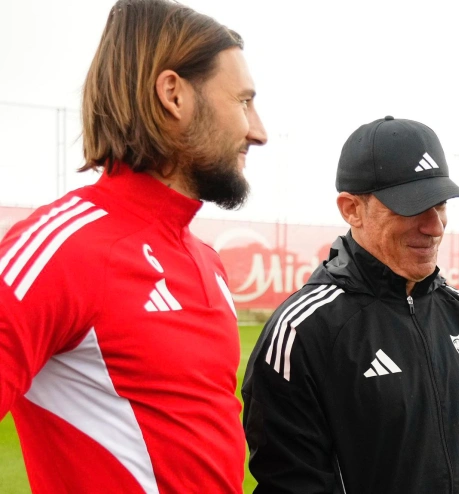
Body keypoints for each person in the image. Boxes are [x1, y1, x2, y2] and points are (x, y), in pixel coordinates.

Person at [0, 0, 267, 492]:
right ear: (174, 95)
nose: (259, 131)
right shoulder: (62, 248)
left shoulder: (207, 261)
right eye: (243, 101)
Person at [242, 116, 459, 493]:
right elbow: (291, 483)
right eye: (413, 206)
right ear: (351, 209)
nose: (435, 225)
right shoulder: (303, 331)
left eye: (440, 204)